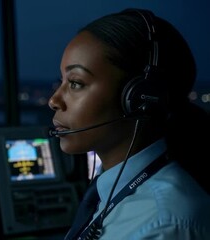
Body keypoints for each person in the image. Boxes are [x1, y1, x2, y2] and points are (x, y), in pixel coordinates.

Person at [48, 8, 210, 240]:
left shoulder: (163, 225)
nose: (54, 100)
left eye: (75, 83)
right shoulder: (113, 192)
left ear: (139, 99)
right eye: (61, 81)